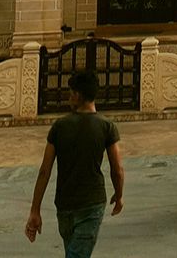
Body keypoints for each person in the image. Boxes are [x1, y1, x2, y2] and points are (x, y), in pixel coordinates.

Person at [26, 70, 124, 258]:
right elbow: (117, 169)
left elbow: (44, 171)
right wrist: (119, 195)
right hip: (91, 203)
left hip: (65, 204)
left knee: (74, 253)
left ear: (78, 95)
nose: (69, 97)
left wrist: (35, 209)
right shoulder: (106, 127)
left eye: (71, 93)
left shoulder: (60, 126)